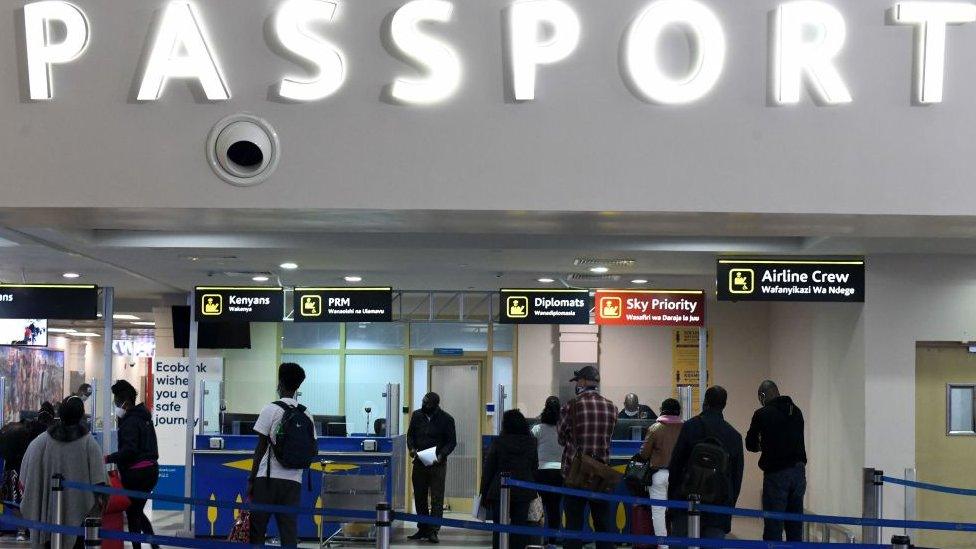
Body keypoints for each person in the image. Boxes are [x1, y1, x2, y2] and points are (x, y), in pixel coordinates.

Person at [21, 396, 107, 549]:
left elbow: (26, 475)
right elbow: (100, 483)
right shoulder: (89, 444)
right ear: (81, 415)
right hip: (80, 517)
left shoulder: (41, 442)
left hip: (47, 516)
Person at [248, 363, 316, 548]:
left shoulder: (270, 409)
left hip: (267, 479)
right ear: (298, 387)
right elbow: (312, 448)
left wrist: (252, 479)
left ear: (280, 383)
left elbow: (260, 448)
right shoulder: (306, 413)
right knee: (288, 532)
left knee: (257, 528)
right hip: (294, 481)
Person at [668, 386, 744, 547]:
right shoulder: (734, 436)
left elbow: (675, 466)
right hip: (717, 508)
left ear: (705, 402)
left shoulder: (690, 427)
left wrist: (673, 501)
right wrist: (728, 507)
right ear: (724, 405)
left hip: (686, 502)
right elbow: (737, 478)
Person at [557, 366, 617, 549]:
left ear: (582, 381)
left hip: (576, 472)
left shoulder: (571, 405)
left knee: (573, 524)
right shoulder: (611, 407)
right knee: (603, 525)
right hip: (601, 473)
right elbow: (609, 435)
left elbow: (561, 438)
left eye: (577, 381)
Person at [746, 380, 807, 542]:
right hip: (799, 473)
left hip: (777, 473)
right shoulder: (797, 412)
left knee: (774, 525)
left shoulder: (762, 414)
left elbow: (750, 444)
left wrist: (763, 444)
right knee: (795, 525)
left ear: (763, 396)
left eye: (760, 398)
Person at [106, 380, 160, 549]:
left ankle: (140, 546)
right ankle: (154, 544)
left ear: (125, 403)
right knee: (137, 510)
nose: (115, 405)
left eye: (116, 401)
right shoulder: (144, 417)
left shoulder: (130, 422)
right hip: (150, 471)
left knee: (133, 513)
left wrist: (108, 458)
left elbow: (129, 451)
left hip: (137, 474)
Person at [481, 410, 538, 549]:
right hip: (523, 489)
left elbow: (489, 468)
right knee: (519, 529)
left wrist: (484, 492)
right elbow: (534, 466)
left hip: (499, 490)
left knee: (499, 529)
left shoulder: (499, 442)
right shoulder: (531, 443)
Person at [406, 393, 457, 544]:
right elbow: (410, 436)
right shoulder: (416, 415)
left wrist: (441, 455)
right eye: (423, 402)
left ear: (435, 405)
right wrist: (411, 448)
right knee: (420, 497)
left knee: (436, 498)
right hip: (420, 462)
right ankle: (422, 528)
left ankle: (433, 531)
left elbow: (451, 442)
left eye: (427, 404)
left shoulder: (447, 419)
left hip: (437, 464)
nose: (423, 406)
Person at [637, 398, 683, 549]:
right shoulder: (686, 428)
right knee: (678, 511)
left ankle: (663, 546)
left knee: (658, 512)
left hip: (658, 474)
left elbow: (644, 454)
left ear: (662, 410)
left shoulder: (655, 428)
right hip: (678, 476)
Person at [531, 396, 563, 548]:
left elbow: (531, 449)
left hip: (541, 472)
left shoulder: (537, 429)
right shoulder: (563, 429)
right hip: (559, 473)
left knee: (539, 507)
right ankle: (552, 542)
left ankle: (538, 539)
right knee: (554, 508)